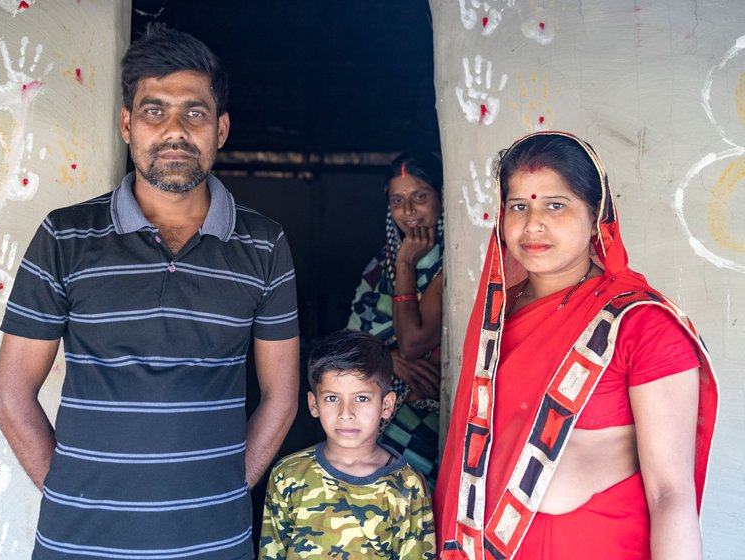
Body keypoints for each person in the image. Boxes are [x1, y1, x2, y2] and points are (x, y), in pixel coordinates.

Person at [0, 24, 300, 560]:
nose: (175, 129)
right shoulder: (65, 237)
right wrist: (72, 498)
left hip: (214, 544)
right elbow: (11, 396)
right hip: (77, 544)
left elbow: (282, 399)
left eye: (195, 112)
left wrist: (223, 495)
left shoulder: (264, 245)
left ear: (221, 129)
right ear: (126, 125)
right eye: (154, 111)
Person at [435, 131, 718, 560]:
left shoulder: (642, 324)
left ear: (596, 216)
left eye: (555, 205)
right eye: (518, 206)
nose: (533, 224)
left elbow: (670, 494)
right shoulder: (496, 319)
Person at [258, 329, 435, 560]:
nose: (346, 413)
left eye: (361, 398)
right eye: (332, 398)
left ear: (386, 405)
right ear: (313, 404)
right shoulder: (287, 475)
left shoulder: (407, 486)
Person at [347, 151, 444, 489]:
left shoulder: (455, 261)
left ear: (441, 197)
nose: (408, 211)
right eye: (397, 200)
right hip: (380, 414)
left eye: (420, 197)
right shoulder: (380, 266)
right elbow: (351, 346)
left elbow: (414, 343)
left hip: (433, 411)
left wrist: (406, 265)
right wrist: (385, 360)